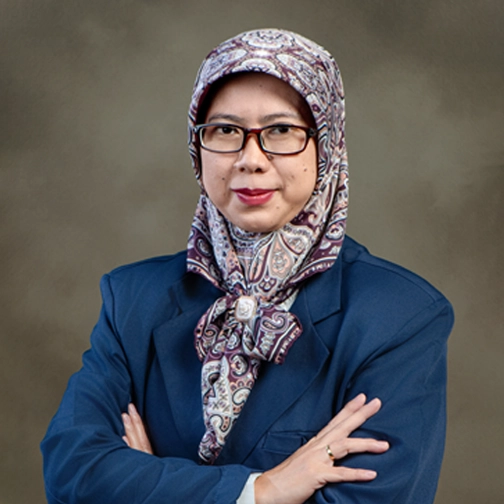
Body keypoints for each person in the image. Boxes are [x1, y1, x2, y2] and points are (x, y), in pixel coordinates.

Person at [41, 29, 454, 504]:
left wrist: (145, 484)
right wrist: (263, 490)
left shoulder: (398, 317)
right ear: (197, 147)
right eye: (225, 131)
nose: (250, 159)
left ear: (327, 145)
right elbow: (72, 472)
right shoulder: (132, 298)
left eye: (281, 130)